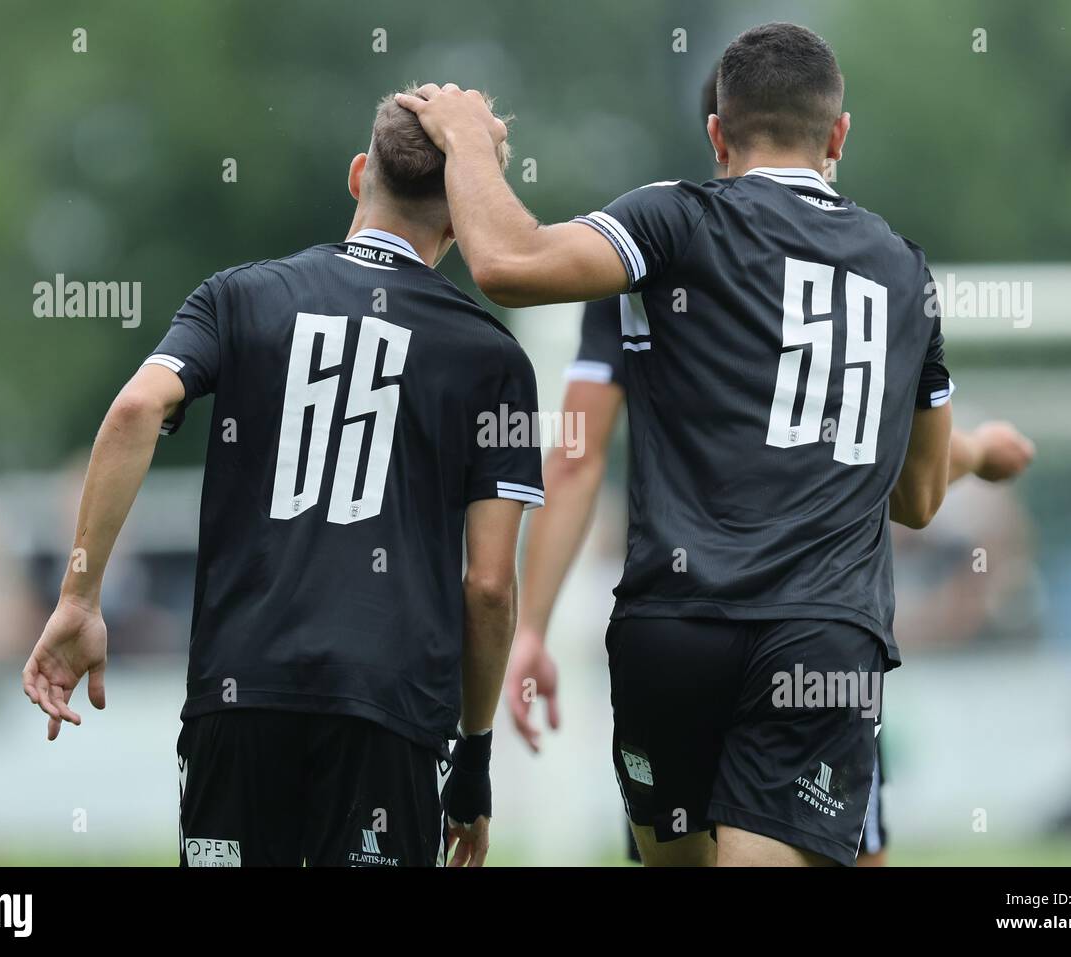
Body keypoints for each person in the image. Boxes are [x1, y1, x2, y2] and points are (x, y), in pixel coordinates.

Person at [398, 22, 960, 866]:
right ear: (839, 135)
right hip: (818, 636)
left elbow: (509, 265)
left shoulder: (675, 219)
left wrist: (469, 141)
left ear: (717, 134)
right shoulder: (904, 269)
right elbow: (918, 499)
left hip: (673, 628)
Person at [22, 88, 543, 868]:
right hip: (388, 709)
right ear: (466, 214)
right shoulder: (493, 358)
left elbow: (135, 410)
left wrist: (79, 595)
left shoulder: (238, 296)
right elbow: (491, 587)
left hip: (240, 694)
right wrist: (472, 757)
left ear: (359, 173)